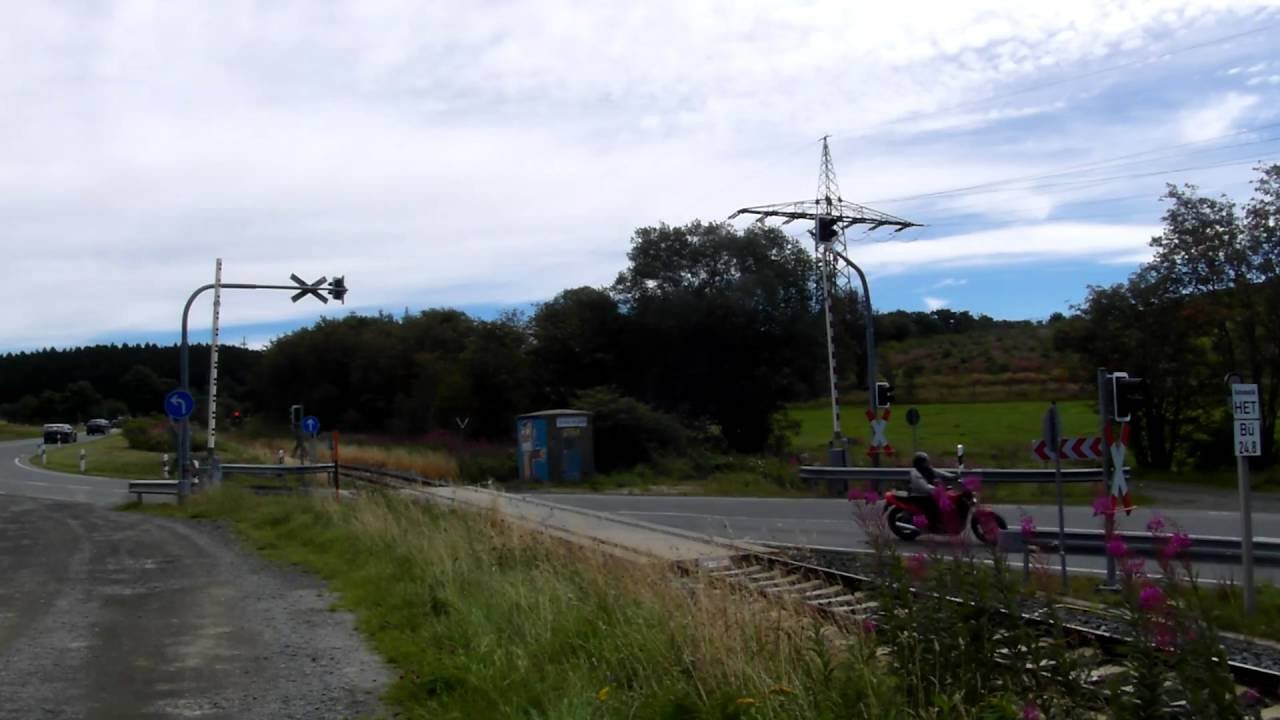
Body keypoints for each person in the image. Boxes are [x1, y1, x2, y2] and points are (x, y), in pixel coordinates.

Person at [908, 451, 955, 529]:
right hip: (918, 495)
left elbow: (940, 473)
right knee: (933, 506)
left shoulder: (927, 469)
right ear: (919, 463)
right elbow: (924, 486)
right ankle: (933, 525)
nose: (927, 463)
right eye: (924, 462)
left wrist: (952, 476)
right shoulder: (915, 473)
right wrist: (936, 489)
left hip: (928, 493)